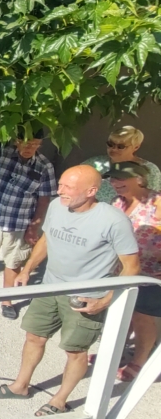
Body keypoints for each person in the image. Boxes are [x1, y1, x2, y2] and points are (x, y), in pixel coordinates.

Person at [0, 166, 140, 417]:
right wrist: (27, 269)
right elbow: (47, 238)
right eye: (60, 185)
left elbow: (131, 267)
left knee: (75, 351)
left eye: (68, 187)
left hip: (84, 297)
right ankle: (20, 385)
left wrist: (105, 300)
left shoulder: (114, 221)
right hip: (50, 285)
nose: (60, 191)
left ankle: (59, 400)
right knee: (34, 337)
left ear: (91, 191)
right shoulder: (58, 206)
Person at [0, 130, 57, 319]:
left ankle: (6, 300)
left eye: (34, 144)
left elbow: (44, 200)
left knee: (14, 261)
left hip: (20, 222)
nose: (29, 148)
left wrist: (35, 226)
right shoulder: (2, 154)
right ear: (17, 141)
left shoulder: (44, 166)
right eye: (26, 143)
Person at [104, 161, 161, 382]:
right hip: (123, 270)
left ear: (139, 178)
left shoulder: (157, 203)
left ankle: (139, 361)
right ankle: (116, 354)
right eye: (112, 178)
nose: (115, 183)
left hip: (151, 274)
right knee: (122, 315)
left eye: (120, 178)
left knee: (141, 318)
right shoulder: (117, 203)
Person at [82, 126, 161, 203]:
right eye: (110, 144)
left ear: (136, 147)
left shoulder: (149, 170)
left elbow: (154, 199)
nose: (113, 149)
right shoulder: (94, 164)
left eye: (121, 146)